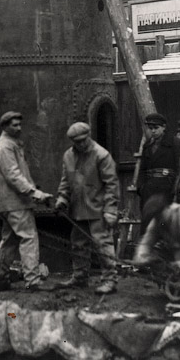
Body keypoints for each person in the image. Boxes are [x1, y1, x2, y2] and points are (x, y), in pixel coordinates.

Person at [0, 111, 53, 292]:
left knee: (9, 240)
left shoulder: (10, 144)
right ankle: (32, 281)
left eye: (19, 124)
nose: (18, 128)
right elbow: (14, 176)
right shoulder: (5, 148)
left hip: (7, 203)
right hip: (14, 203)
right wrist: (36, 194)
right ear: (5, 127)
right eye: (14, 125)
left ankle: (1, 280)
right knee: (29, 237)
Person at [54, 122, 120, 294]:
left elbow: (111, 185)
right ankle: (80, 277)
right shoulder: (68, 156)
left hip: (98, 209)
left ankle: (110, 280)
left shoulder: (102, 155)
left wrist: (111, 210)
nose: (81, 144)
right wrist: (62, 198)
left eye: (84, 140)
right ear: (72, 142)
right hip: (77, 209)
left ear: (89, 136)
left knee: (103, 244)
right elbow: (65, 180)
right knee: (78, 244)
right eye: (77, 142)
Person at [138, 112, 178, 231]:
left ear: (164, 127)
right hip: (148, 190)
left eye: (156, 128)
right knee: (148, 221)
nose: (153, 131)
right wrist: (141, 188)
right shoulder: (147, 145)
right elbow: (142, 169)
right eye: (150, 128)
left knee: (165, 222)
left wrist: (175, 189)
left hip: (166, 189)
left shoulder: (174, 143)